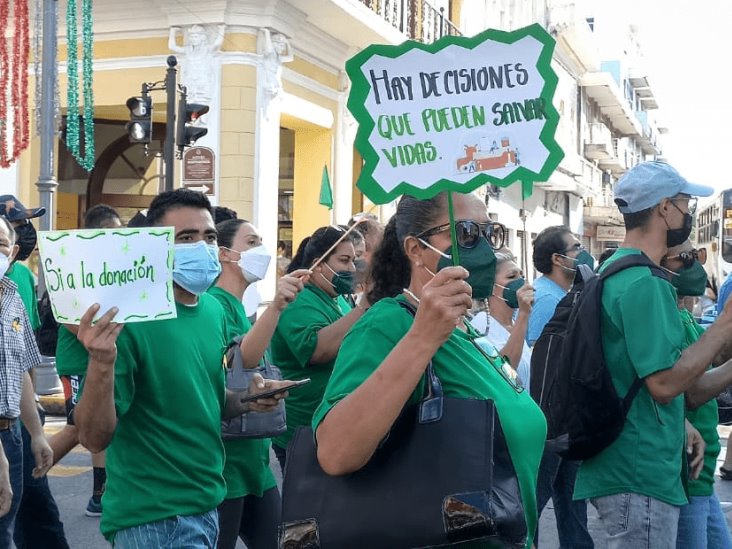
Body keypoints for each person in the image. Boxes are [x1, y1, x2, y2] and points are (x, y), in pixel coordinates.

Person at [312, 192, 546, 547]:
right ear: (415, 249)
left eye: (490, 233)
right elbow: (335, 451)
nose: (484, 248)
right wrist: (422, 338)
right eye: (466, 234)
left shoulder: (464, 326)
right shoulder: (390, 323)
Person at [72, 189, 293, 546]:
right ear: (157, 247)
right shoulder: (129, 320)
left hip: (208, 506)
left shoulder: (212, 311)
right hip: (152, 520)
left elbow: (209, 399)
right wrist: (101, 361)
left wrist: (248, 399)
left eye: (208, 237)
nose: (201, 247)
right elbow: (94, 437)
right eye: (185, 238)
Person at [572, 161, 732, 547]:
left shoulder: (617, 271)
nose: (689, 213)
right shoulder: (644, 282)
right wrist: (725, 324)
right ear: (664, 208)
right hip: (637, 470)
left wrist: (681, 423)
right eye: (686, 204)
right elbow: (665, 385)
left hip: (635, 468)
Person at [211, 218, 309, 549]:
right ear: (225, 254)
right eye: (251, 242)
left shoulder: (242, 309)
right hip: (227, 463)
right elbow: (239, 363)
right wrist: (278, 307)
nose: (262, 250)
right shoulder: (213, 305)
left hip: (254, 460)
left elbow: (247, 375)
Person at [270, 225, 365, 471]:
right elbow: (318, 350)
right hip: (304, 430)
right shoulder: (299, 300)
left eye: (354, 261)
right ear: (318, 264)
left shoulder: (338, 299)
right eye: (344, 260)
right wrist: (364, 308)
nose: (352, 269)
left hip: (333, 425)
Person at [658, 240, 732, 548]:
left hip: (702, 473)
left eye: (699, 256)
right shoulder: (667, 318)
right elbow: (693, 393)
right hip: (688, 472)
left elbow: (715, 356)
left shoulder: (684, 314)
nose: (697, 265)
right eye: (687, 258)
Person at [52, 204, 123, 518]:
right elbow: (77, 326)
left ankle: (100, 495)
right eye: (115, 234)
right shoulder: (73, 274)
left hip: (98, 362)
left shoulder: (110, 274)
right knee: (76, 428)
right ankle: (23, 476)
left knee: (93, 427)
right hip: (78, 364)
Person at [527, 225, 594, 549]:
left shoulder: (565, 294)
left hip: (565, 418)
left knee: (572, 501)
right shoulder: (546, 299)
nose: (582, 254)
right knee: (534, 505)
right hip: (548, 422)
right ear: (557, 258)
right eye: (575, 248)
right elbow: (541, 358)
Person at [0, 215, 54, 547]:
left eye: (0, 243)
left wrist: (36, 434)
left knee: (6, 530)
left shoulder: (12, 296)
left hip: (11, 436)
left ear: (13, 251)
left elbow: (18, 370)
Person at [472, 252, 534, 391]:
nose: (521, 282)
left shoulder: (513, 323)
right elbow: (505, 371)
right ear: (491, 287)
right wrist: (523, 315)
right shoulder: (482, 325)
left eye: (522, 276)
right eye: (512, 277)